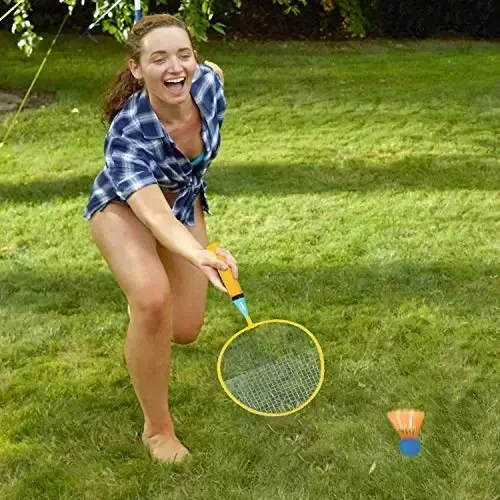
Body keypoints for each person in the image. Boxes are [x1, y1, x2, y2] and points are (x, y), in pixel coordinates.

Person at [83, 13, 238, 464]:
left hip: (183, 200)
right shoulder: (127, 134)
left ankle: (145, 317)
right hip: (124, 208)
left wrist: (198, 253)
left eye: (183, 55)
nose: (175, 68)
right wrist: (200, 254)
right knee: (153, 300)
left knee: (184, 330)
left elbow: (214, 72)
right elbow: (153, 215)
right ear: (136, 68)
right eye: (159, 59)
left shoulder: (206, 84)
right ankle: (158, 430)